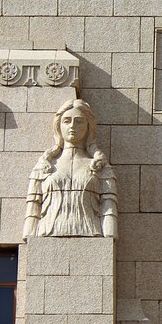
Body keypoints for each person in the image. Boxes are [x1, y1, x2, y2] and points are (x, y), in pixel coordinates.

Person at [24, 99, 118, 239]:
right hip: (48, 232)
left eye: (79, 121)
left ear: (88, 126)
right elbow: (33, 206)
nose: (72, 126)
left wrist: (110, 234)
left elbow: (109, 206)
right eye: (67, 121)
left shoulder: (100, 166)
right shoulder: (44, 165)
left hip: (92, 232)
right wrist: (30, 233)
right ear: (59, 126)